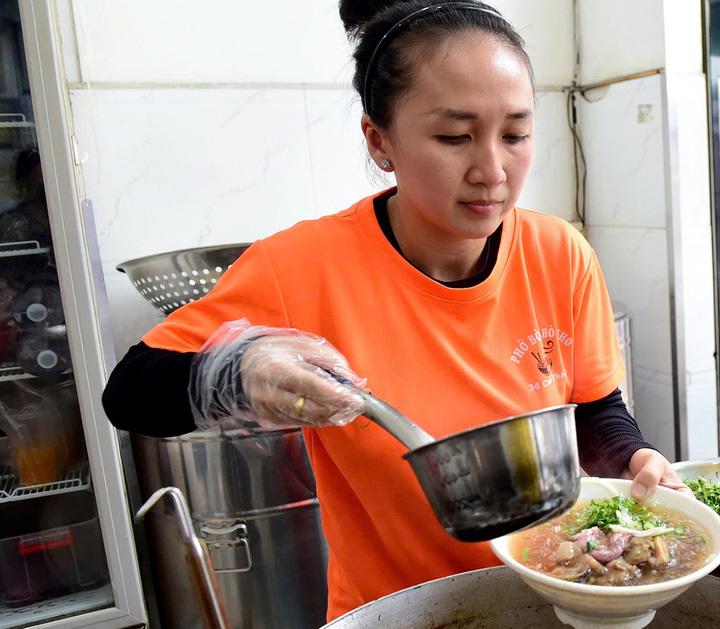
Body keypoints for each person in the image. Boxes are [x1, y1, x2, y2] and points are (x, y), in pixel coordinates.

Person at [101, 0, 688, 620]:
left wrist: (632, 456)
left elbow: (595, 409)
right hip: (397, 611)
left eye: (515, 133)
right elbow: (130, 392)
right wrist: (237, 372)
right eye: (454, 137)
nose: (492, 170)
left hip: (556, 593)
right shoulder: (304, 266)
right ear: (380, 141)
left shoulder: (559, 254)